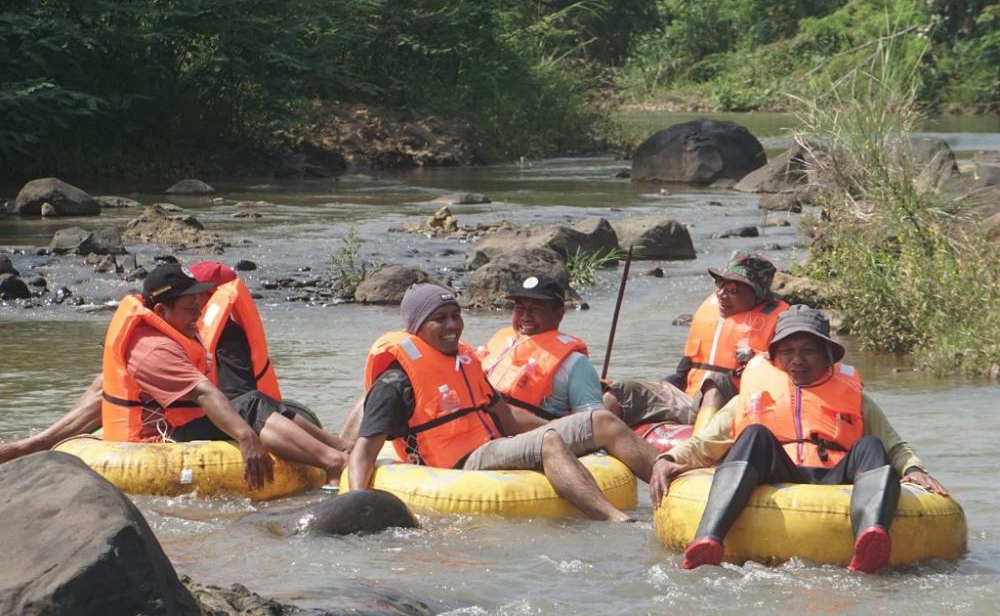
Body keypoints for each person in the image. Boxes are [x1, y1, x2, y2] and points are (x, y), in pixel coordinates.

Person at [648, 305, 948, 573]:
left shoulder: (857, 399)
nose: (797, 360)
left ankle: (870, 540)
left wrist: (914, 469)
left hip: (836, 476)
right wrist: (670, 458)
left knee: (871, 446)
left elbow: (894, 445)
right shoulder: (750, 397)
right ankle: (709, 540)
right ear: (775, 357)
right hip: (779, 472)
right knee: (754, 434)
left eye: (808, 351)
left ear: (827, 355)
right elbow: (706, 443)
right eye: (788, 352)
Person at [348, 283, 659, 522]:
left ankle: (670, 480)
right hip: (455, 463)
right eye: (439, 319)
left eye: (456, 316)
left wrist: (570, 433)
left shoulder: (463, 361)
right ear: (416, 327)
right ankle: (617, 521)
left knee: (601, 422)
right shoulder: (396, 382)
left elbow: (505, 414)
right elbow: (364, 448)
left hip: (492, 444)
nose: (453, 326)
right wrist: (356, 501)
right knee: (549, 443)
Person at [0, 262, 351, 469]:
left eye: (199, 307)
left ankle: (338, 447)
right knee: (251, 405)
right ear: (160, 311)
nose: (198, 316)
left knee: (260, 403)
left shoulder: (171, 331)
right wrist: (245, 436)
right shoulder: (153, 348)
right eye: (189, 309)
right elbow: (203, 391)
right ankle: (335, 464)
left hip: (174, 420)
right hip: (160, 437)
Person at [604, 251, 789, 430]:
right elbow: (681, 376)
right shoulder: (710, 317)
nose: (721, 294)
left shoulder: (782, 327)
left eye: (733, 289)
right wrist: (652, 389)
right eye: (719, 284)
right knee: (623, 390)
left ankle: (698, 452)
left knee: (717, 383)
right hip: (690, 403)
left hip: (737, 409)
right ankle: (597, 447)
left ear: (758, 295)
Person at [479, 275, 605, 428]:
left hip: (536, 439)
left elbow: (593, 425)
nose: (525, 317)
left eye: (536, 309)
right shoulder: (500, 344)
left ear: (559, 314)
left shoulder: (575, 363)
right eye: (519, 308)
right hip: (481, 430)